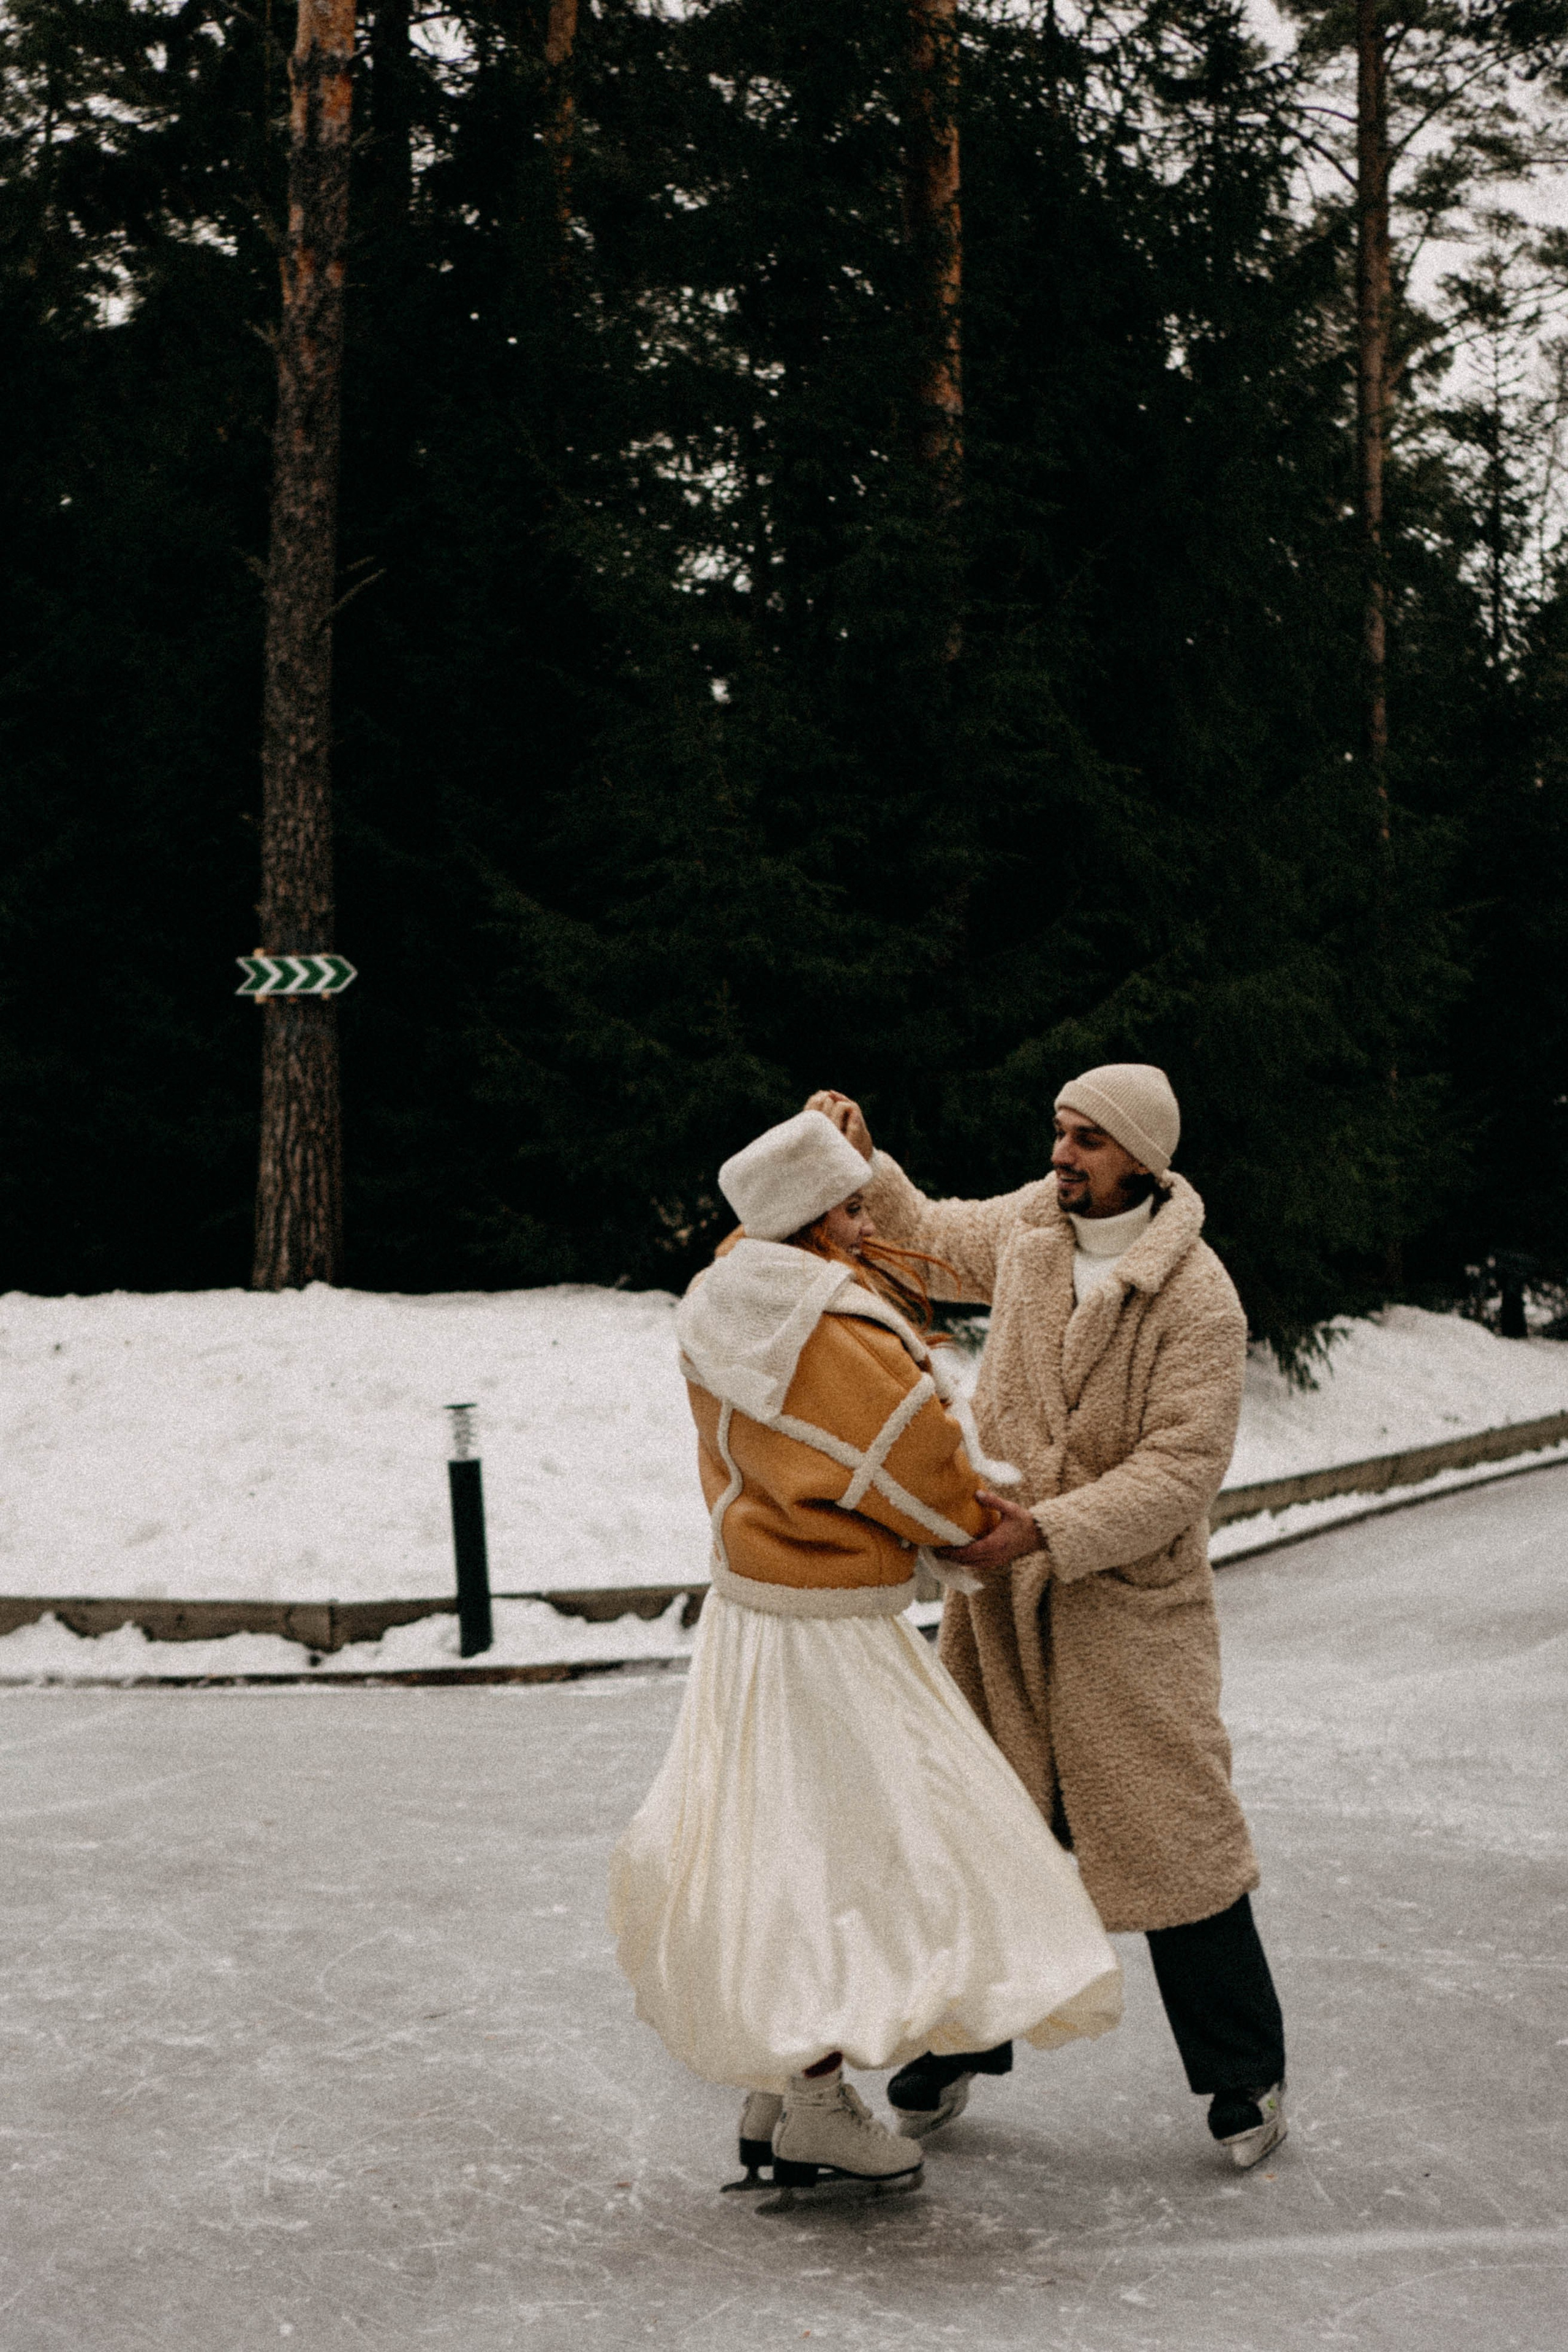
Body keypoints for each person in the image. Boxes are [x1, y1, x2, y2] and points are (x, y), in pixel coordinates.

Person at [609, 1109, 1122, 2203]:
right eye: (845, 1204)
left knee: (776, 1840)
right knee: (862, 1853)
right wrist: (978, 1521)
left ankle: (783, 2077)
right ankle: (815, 2102)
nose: (862, 1220)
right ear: (806, 1217)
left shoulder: (726, 1296)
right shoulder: (829, 1325)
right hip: (832, 1625)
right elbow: (918, 1461)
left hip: (753, 1614)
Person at [804, 1068, 1288, 2170]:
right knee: (981, 1823)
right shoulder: (1031, 1229)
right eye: (1059, 1134)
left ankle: (1245, 2072)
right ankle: (961, 2046)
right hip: (1007, 1613)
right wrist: (866, 1155)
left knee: (1174, 1841)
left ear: (1142, 1163)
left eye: (1086, 1141)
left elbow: (1180, 1470)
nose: (1062, 1156)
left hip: (1127, 1614)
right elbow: (918, 1229)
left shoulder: (1197, 1295)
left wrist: (1044, 1530)